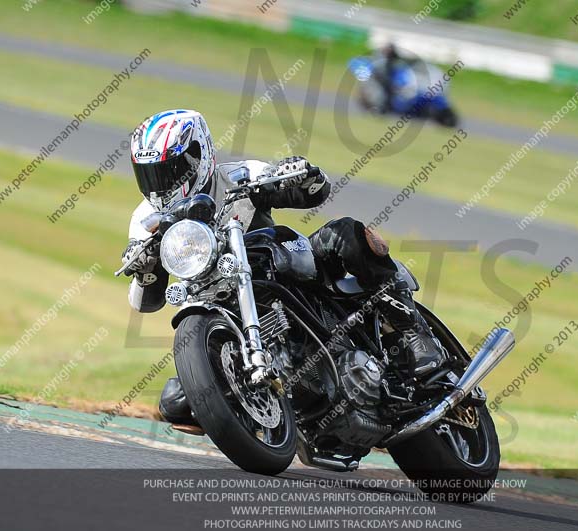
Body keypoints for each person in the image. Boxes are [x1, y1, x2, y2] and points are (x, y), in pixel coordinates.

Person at [121, 109, 444, 425]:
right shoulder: (144, 221)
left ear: (198, 155)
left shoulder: (239, 175)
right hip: (217, 305)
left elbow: (315, 193)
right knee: (176, 403)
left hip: (282, 265)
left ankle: (411, 328)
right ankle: (264, 412)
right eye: (150, 173)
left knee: (346, 234)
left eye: (169, 170)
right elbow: (146, 302)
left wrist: (302, 173)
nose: (158, 184)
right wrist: (144, 267)